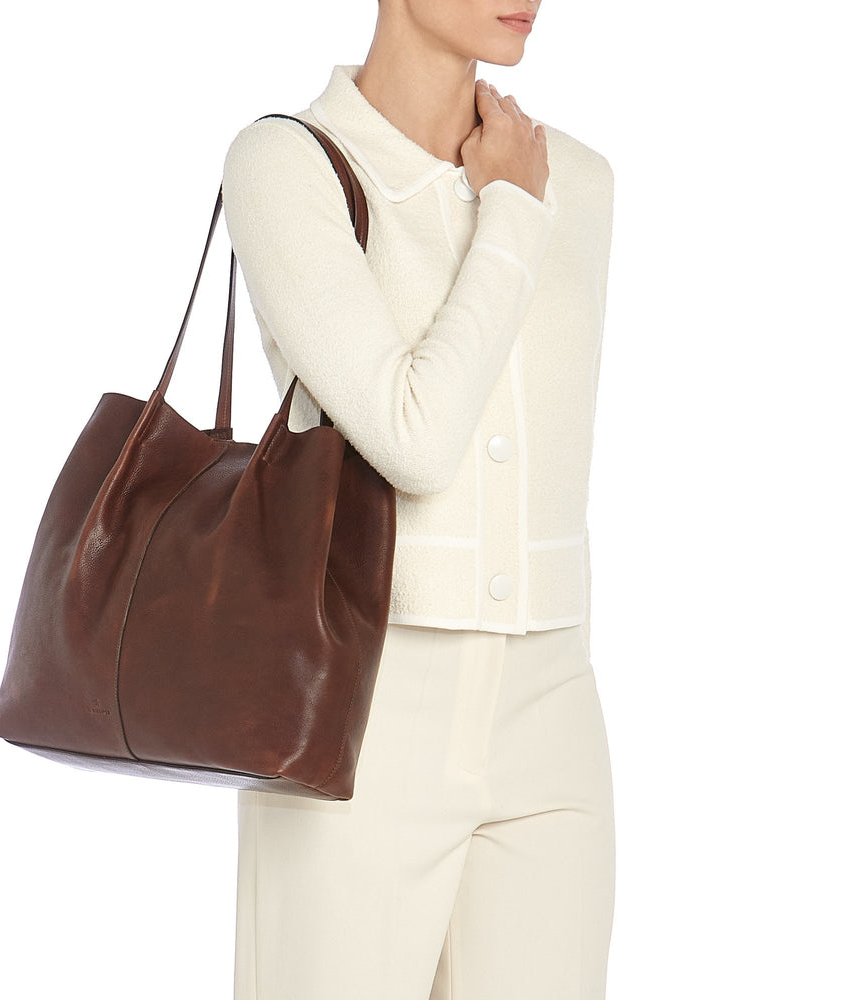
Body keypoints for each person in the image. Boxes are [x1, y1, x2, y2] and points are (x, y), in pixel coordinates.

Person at [219, 1, 616, 997]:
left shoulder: (580, 179)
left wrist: (525, 194)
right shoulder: (289, 166)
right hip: (356, 707)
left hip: (552, 708)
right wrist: (510, 213)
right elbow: (415, 438)